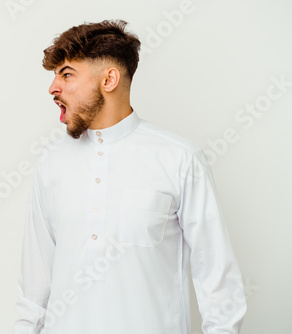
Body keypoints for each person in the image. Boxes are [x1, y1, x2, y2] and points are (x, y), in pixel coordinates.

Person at [14, 19, 247, 334]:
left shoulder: (179, 159)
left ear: (109, 79)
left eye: (66, 74)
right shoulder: (50, 164)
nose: (53, 88)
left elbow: (218, 279)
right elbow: (34, 287)